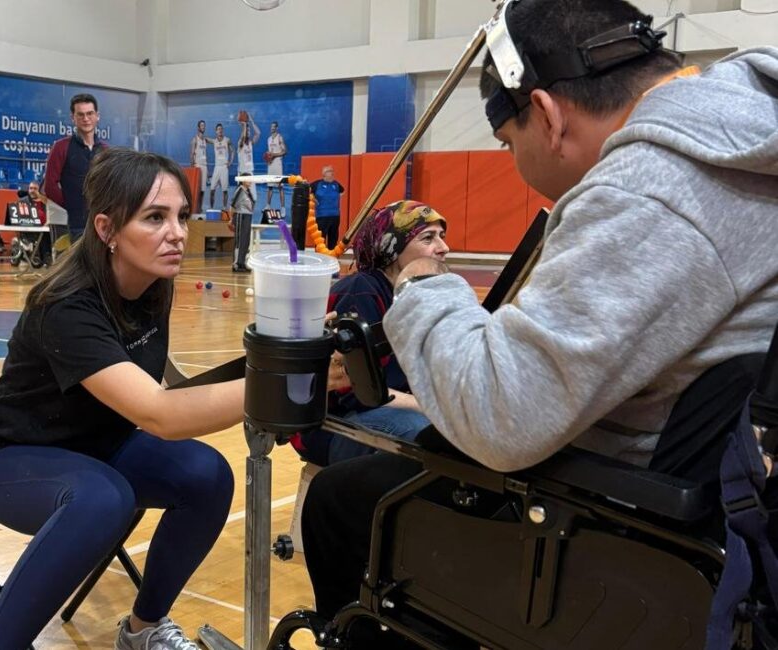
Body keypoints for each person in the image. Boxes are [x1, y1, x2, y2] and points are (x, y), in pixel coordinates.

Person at [300, 2, 778, 646]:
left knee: (341, 502)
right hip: (721, 498)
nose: (513, 159)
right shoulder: (749, 126)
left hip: (615, 523)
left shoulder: (649, 188)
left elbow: (500, 416)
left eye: (507, 142)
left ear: (548, 116)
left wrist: (420, 285)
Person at [0, 148, 243, 650]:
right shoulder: (67, 304)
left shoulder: (154, 283)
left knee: (208, 476)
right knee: (103, 498)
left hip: (102, 446)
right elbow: (159, 414)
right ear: (107, 229)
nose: (177, 233)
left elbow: (158, 387)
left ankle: (143, 629)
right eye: (155, 218)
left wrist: (271, 364)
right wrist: (276, 389)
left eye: (181, 216)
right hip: (12, 460)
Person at [294, 201, 446, 467]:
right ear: (391, 248)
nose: (444, 247)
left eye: (442, 236)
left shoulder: (414, 296)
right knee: (429, 432)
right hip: (331, 425)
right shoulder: (361, 290)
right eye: (428, 238)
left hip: (383, 409)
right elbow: (358, 393)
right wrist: (434, 409)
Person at [43, 93, 108, 240]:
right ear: (73, 117)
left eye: (90, 113)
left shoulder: (105, 151)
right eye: (80, 114)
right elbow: (50, 186)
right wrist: (71, 205)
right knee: (66, 256)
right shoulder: (60, 147)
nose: (86, 119)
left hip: (96, 223)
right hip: (66, 223)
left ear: (97, 116)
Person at [309, 165, 344, 251]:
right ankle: (320, 257)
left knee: (333, 239)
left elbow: (342, 191)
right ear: (324, 174)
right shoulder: (317, 184)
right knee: (321, 240)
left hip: (335, 216)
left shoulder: (336, 184)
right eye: (329, 171)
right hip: (322, 216)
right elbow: (306, 190)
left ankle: (332, 256)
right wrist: (312, 198)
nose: (332, 173)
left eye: (332, 171)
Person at [228, 172, 256, 273]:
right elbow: (232, 205)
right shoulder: (240, 190)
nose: (250, 181)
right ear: (242, 180)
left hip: (248, 216)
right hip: (240, 215)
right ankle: (236, 264)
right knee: (239, 240)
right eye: (248, 179)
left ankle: (242, 262)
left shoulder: (248, 191)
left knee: (246, 240)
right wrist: (231, 219)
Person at [208, 123, 232, 210]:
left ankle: (224, 207)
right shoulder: (214, 141)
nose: (220, 130)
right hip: (217, 167)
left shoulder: (227, 140)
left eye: (221, 129)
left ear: (223, 130)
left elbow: (233, 151)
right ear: (216, 131)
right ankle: (211, 208)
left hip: (224, 167)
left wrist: (230, 162)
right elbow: (205, 139)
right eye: (218, 129)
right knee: (212, 189)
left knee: (225, 190)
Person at [265, 121, 287, 208]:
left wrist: (274, 155)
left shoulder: (280, 138)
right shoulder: (268, 139)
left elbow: (284, 151)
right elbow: (269, 153)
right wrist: (268, 158)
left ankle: (283, 208)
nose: (272, 128)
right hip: (271, 165)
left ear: (277, 128)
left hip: (278, 164)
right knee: (270, 187)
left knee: (280, 187)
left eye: (274, 127)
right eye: (271, 126)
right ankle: (268, 206)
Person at [189, 120, 211, 212]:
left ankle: (200, 208)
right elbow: (191, 154)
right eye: (202, 125)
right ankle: (193, 207)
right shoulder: (195, 139)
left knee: (202, 190)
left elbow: (205, 153)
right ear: (198, 127)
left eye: (204, 125)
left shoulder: (205, 140)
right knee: (196, 189)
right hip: (197, 166)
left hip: (204, 165)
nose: (203, 127)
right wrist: (192, 167)